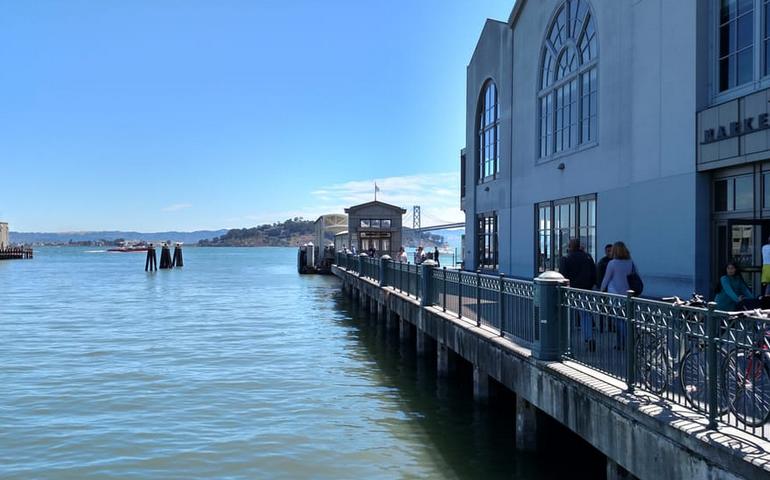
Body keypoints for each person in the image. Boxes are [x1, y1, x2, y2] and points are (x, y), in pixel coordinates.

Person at [559, 238, 597, 351]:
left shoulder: (566, 258)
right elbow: (594, 273)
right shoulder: (588, 257)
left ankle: (568, 342)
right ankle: (588, 338)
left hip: (572, 290)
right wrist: (592, 285)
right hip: (586, 289)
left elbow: (562, 275)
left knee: (568, 315)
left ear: (570, 246)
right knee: (586, 314)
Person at [600, 241, 638, 350]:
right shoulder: (630, 262)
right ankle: (624, 342)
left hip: (615, 295)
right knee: (626, 319)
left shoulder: (612, 263)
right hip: (628, 294)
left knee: (618, 321)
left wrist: (601, 290)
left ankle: (624, 342)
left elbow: (606, 279)